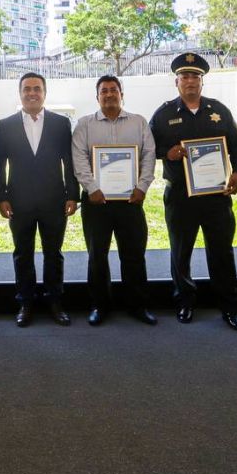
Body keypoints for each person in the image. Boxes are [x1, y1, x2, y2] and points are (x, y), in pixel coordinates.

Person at [149, 53, 237, 329]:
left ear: (202, 82)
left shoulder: (218, 110)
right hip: (180, 195)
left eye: (195, 77)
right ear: (176, 82)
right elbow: (147, 147)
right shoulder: (164, 113)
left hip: (216, 195)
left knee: (222, 252)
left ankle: (229, 307)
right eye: (185, 77)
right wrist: (166, 152)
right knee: (181, 252)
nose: (190, 81)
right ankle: (185, 302)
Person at [73, 75, 158, 326]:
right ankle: (100, 305)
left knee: (133, 255)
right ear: (97, 96)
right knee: (97, 256)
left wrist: (142, 187)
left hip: (131, 201)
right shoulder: (84, 125)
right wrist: (92, 188)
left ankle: (137, 306)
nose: (109, 95)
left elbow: (149, 156)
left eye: (113, 90)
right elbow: (79, 160)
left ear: (122, 93)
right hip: (96, 202)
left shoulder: (139, 123)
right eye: (104, 91)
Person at [0, 72, 78, 327]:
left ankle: (55, 301)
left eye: (37, 89)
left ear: (45, 93)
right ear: (19, 93)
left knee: (53, 253)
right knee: (23, 253)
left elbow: (70, 161)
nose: (32, 93)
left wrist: (73, 195)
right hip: (18, 202)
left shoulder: (61, 124)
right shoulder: (5, 125)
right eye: (27, 89)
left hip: (55, 200)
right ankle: (26, 302)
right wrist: (1, 197)